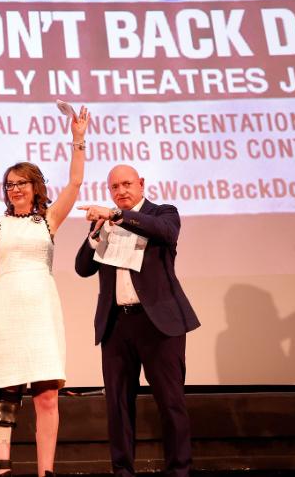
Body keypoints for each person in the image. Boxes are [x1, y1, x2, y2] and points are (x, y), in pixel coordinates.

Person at [0, 105, 90, 477]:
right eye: (9, 184)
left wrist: (77, 140)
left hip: (41, 311)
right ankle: (3, 468)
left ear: (34, 186)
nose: (15, 189)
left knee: (46, 395)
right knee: (5, 394)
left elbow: (74, 185)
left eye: (21, 183)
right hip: (6, 311)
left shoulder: (48, 220)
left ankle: (46, 472)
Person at [74, 165, 200, 477]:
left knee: (170, 402)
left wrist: (118, 216)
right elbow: (82, 268)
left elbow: (165, 233)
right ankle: (122, 471)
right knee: (117, 404)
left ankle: (179, 470)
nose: (121, 191)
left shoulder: (162, 213)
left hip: (158, 324)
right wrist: (95, 234)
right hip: (117, 325)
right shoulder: (107, 223)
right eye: (115, 187)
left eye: (127, 184)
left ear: (141, 184)